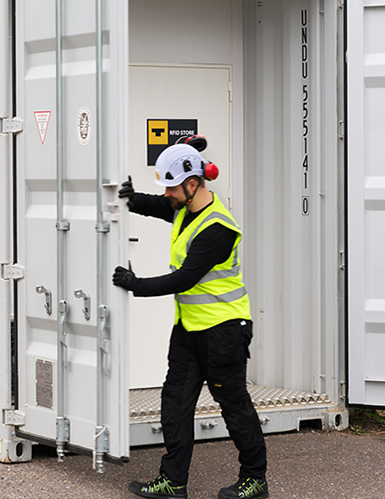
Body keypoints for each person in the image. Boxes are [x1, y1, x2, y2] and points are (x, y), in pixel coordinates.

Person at [114, 137, 268, 499]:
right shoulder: (184, 209)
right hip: (189, 329)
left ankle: (255, 478)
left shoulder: (218, 228)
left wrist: (134, 285)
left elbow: (183, 278)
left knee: (233, 406)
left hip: (224, 331)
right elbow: (158, 206)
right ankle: (173, 481)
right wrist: (130, 198)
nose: (167, 193)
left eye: (171, 186)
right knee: (175, 404)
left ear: (193, 183)